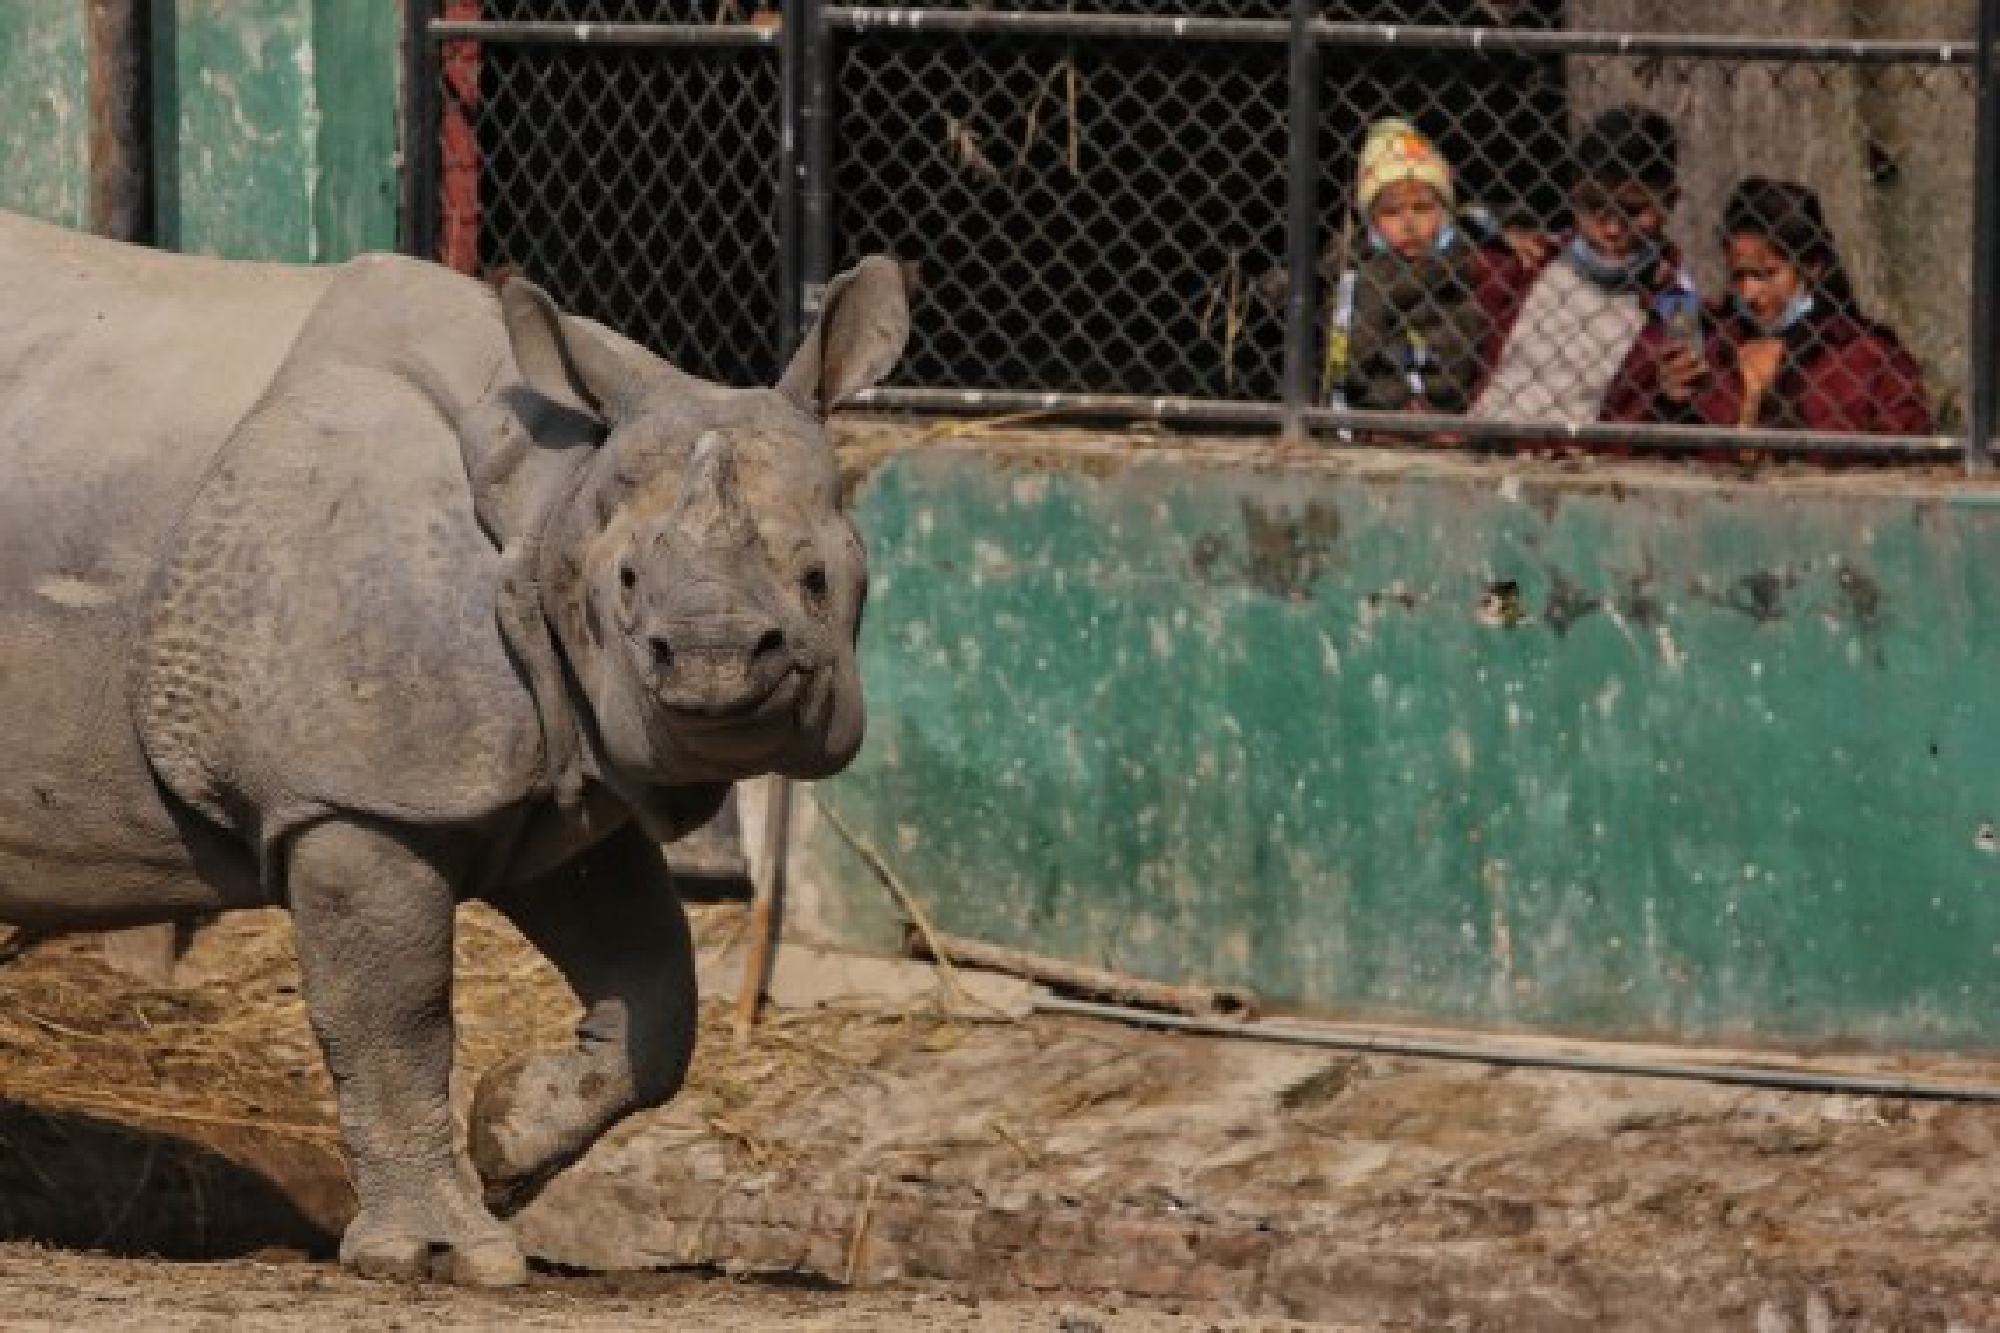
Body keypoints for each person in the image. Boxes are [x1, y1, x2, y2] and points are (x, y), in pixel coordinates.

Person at [1469, 106, 1706, 429]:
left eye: (1633, 211)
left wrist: (1668, 394)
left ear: (1669, 202)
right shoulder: (1532, 261)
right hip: (1484, 439)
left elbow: (1692, 391)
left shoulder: (1677, 301)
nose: (1611, 230)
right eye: (1594, 207)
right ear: (1573, 194)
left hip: (1583, 460)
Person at [1691, 177, 1932, 435]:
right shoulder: (1714, 347)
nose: (1749, 294)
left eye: (1767, 274)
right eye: (1738, 276)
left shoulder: (1867, 356)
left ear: (1812, 266)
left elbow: (1907, 445)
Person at [1322, 118, 1491, 418]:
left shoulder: (1468, 263)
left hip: (1450, 407)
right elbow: (1348, 360)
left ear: (1444, 214)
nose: (1409, 224)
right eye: (1391, 212)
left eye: (1423, 208)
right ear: (1372, 222)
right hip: (1371, 411)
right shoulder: (1352, 271)